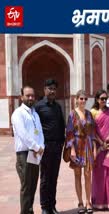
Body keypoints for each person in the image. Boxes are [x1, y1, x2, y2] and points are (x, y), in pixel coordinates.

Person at [12, 86, 45, 214]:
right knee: (26, 187)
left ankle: (29, 210)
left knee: (32, 185)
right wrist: (37, 147)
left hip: (35, 154)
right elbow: (23, 134)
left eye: (32, 95)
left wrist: (41, 146)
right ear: (22, 97)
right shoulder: (18, 114)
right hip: (24, 154)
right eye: (28, 95)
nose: (31, 98)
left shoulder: (35, 114)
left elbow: (40, 132)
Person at [35, 79, 65, 214]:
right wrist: (37, 146)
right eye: (49, 88)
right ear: (44, 90)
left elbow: (61, 125)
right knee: (45, 178)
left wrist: (62, 144)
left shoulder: (58, 107)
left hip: (57, 147)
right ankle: (44, 207)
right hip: (45, 147)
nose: (52, 91)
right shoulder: (38, 107)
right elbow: (35, 128)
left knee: (54, 178)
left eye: (54, 88)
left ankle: (52, 206)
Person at [65, 90, 96, 214]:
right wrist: (71, 148)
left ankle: (88, 201)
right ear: (77, 99)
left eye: (85, 99)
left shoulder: (89, 114)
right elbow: (69, 132)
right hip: (77, 147)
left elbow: (93, 133)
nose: (83, 101)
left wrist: (94, 148)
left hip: (87, 146)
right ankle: (80, 202)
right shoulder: (72, 114)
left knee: (88, 175)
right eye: (81, 98)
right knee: (77, 175)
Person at [91, 89, 109, 210]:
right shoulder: (93, 112)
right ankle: (99, 202)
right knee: (99, 175)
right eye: (102, 99)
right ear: (97, 99)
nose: (104, 101)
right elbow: (92, 131)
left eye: (105, 99)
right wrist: (101, 143)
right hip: (98, 148)